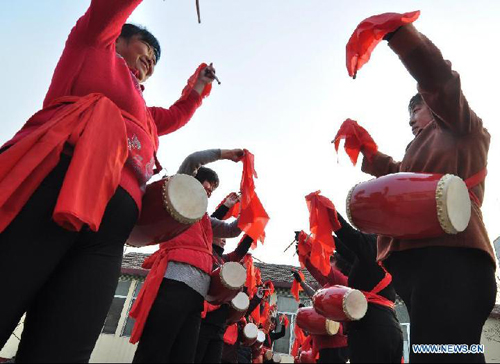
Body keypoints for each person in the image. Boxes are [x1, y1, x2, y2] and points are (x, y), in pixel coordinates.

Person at [0, 1, 215, 362]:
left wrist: (198, 88)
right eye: (144, 49)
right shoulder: (92, 47)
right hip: (55, 188)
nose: (149, 60)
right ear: (118, 40)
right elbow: (107, 9)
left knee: (67, 341)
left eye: (154, 60)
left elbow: (177, 116)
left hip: (110, 231)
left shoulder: (144, 113)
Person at [359, 21, 496, 363]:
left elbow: (440, 82)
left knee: (444, 353)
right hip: (425, 265)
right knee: (440, 353)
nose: (411, 121)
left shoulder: (462, 127)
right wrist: (367, 153)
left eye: (415, 110)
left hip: (454, 259)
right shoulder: (415, 153)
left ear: (432, 106)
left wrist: (400, 37)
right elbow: (399, 176)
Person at [131, 148, 245, 363]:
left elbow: (232, 230)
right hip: (173, 283)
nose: (209, 190)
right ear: (192, 181)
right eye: (207, 184)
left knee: (184, 357)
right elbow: (193, 160)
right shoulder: (179, 198)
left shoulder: (204, 220)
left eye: (212, 190)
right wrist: (225, 154)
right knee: (155, 350)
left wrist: (248, 205)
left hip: (196, 296)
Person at [334, 213, 403, 363]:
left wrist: (327, 211)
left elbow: (348, 235)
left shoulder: (373, 244)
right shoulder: (386, 252)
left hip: (371, 329)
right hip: (390, 329)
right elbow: (347, 249)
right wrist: (317, 239)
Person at [195, 194, 256, 363]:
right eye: (220, 235)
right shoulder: (205, 251)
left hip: (219, 325)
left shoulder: (224, 260)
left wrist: (253, 232)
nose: (223, 240)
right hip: (202, 320)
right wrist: (226, 206)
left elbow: (239, 252)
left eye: (225, 238)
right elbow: (205, 223)